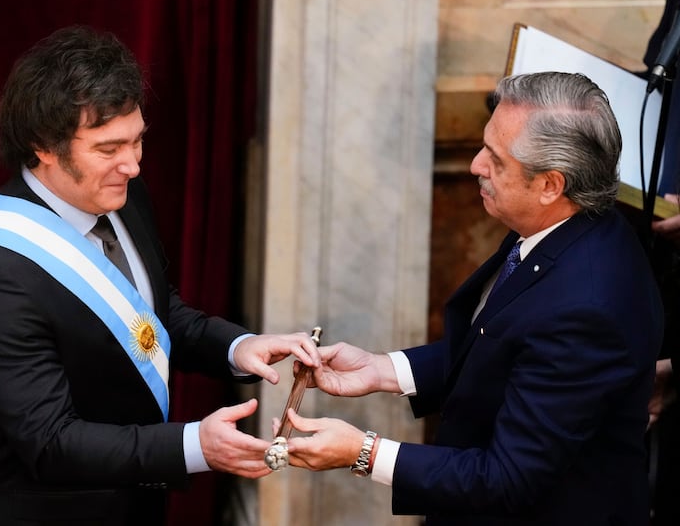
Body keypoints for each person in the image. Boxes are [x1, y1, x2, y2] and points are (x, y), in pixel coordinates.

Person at [0, 25, 321, 525]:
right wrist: (194, 445)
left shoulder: (119, 195)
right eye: (108, 148)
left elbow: (151, 314)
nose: (132, 164)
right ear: (42, 146)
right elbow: (50, 442)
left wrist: (236, 347)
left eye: (137, 141)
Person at [281, 72, 664, 525]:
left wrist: (362, 452)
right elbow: (504, 344)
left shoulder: (588, 308)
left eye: (496, 160)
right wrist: (383, 369)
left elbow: (505, 479)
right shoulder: (564, 226)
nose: (475, 165)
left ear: (550, 185)